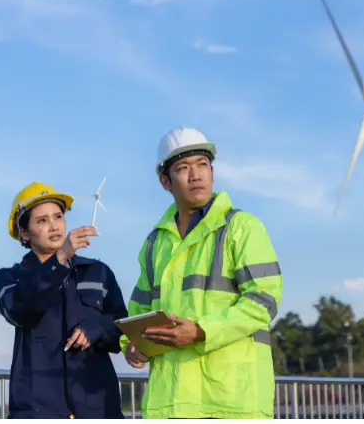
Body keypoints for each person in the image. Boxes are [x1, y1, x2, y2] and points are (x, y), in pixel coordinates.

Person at [119, 127, 284, 419]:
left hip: (230, 400)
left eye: (203, 165)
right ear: (165, 182)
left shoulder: (242, 227)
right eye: (183, 168)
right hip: (170, 403)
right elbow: (139, 311)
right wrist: (132, 346)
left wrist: (200, 331)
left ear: (212, 172)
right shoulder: (155, 243)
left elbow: (263, 300)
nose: (196, 175)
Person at [0, 181, 129, 419]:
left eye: (58, 217)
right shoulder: (10, 278)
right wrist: (60, 259)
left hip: (98, 411)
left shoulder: (99, 272)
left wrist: (94, 328)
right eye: (41, 221)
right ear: (24, 232)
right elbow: (21, 312)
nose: (54, 226)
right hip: (38, 413)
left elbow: (122, 329)